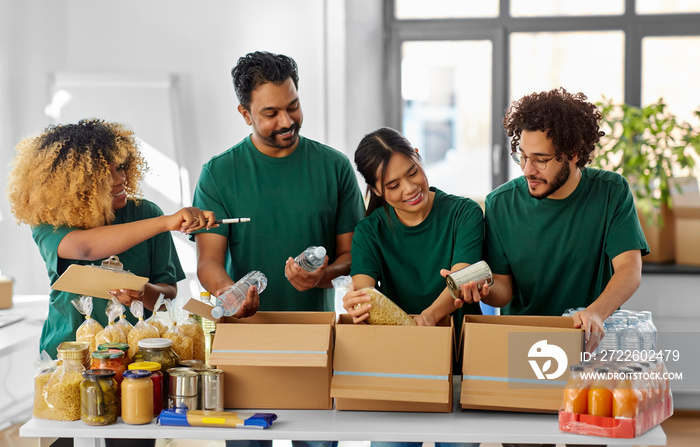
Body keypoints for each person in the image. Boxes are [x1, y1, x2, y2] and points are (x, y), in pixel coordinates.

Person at [190, 51, 364, 447]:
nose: (286, 122)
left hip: (313, 337)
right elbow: (209, 264)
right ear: (244, 113)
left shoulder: (333, 167)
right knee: (249, 443)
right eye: (270, 113)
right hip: (245, 339)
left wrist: (326, 275)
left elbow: (352, 255)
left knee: (319, 442)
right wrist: (229, 296)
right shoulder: (219, 174)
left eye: (294, 106)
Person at [6, 118, 214, 447]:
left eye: (121, 168)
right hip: (68, 362)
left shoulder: (146, 213)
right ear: (74, 183)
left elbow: (169, 293)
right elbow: (85, 247)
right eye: (106, 174)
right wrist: (164, 223)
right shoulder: (50, 222)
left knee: (132, 439)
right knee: (67, 438)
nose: (120, 179)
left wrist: (142, 293)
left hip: (132, 362)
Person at [454, 88, 648, 356]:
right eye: (522, 156)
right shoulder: (500, 204)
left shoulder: (611, 192)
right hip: (526, 350)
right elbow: (503, 290)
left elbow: (629, 270)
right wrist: (481, 289)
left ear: (575, 153)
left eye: (541, 160)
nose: (527, 170)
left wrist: (595, 313)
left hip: (591, 343)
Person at [342, 127, 482, 447]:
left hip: (462, 364)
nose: (409, 188)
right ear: (376, 189)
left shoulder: (464, 213)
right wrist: (358, 304)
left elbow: (460, 280)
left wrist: (429, 317)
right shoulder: (369, 232)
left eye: (412, 172)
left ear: (418, 156)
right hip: (400, 366)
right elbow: (364, 290)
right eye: (392, 185)